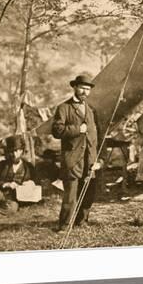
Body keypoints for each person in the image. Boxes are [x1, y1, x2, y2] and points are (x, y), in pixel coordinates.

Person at [51, 74, 104, 232]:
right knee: (70, 196)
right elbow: (56, 130)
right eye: (82, 88)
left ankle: (81, 221)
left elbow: (95, 136)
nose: (85, 92)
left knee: (88, 193)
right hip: (72, 159)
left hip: (89, 160)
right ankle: (64, 225)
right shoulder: (64, 108)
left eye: (88, 89)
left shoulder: (91, 110)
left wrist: (96, 158)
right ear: (74, 87)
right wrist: (77, 130)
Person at [0, 135, 35, 214]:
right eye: (11, 151)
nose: (14, 154)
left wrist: (31, 183)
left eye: (17, 151)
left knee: (12, 208)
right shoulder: (3, 164)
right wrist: (5, 184)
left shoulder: (29, 167)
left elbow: (36, 181)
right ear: (8, 152)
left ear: (22, 151)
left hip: (15, 198)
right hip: (0, 194)